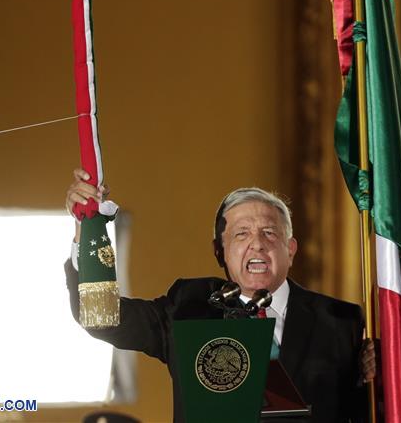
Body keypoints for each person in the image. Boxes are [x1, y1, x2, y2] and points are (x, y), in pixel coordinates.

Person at [64, 170, 375, 423]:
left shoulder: (340, 321)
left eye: (270, 232)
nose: (257, 244)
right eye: (241, 233)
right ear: (220, 252)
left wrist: (378, 380)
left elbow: (367, 411)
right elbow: (101, 318)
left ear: (290, 249)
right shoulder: (188, 307)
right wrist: (87, 226)